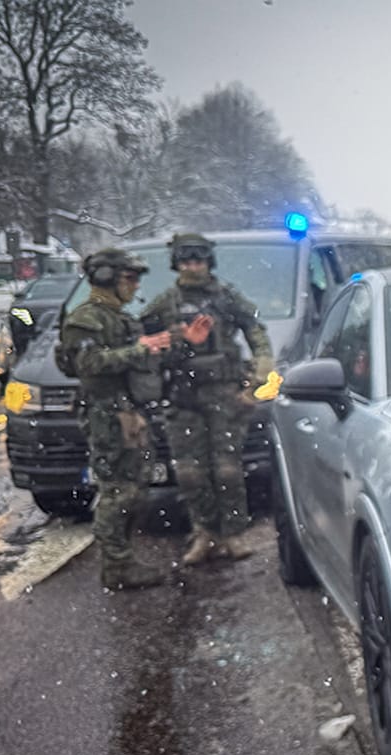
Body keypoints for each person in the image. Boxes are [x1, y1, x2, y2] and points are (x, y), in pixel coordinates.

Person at [141, 233, 274, 566]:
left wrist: (258, 377)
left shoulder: (227, 297)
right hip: (183, 397)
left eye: (198, 260)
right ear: (176, 264)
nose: (192, 267)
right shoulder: (165, 303)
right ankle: (204, 531)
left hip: (224, 395)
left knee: (228, 469)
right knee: (189, 473)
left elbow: (256, 330)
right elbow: (142, 341)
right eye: (186, 261)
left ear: (208, 261)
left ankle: (232, 532)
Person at [55, 249, 172, 590]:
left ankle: (123, 559)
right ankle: (116, 566)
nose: (135, 286)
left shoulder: (117, 317)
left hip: (127, 413)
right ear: (107, 278)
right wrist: (140, 350)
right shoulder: (86, 319)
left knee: (134, 488)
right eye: (129, 278)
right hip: (107, 415)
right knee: (117, 491)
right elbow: (88, 364)